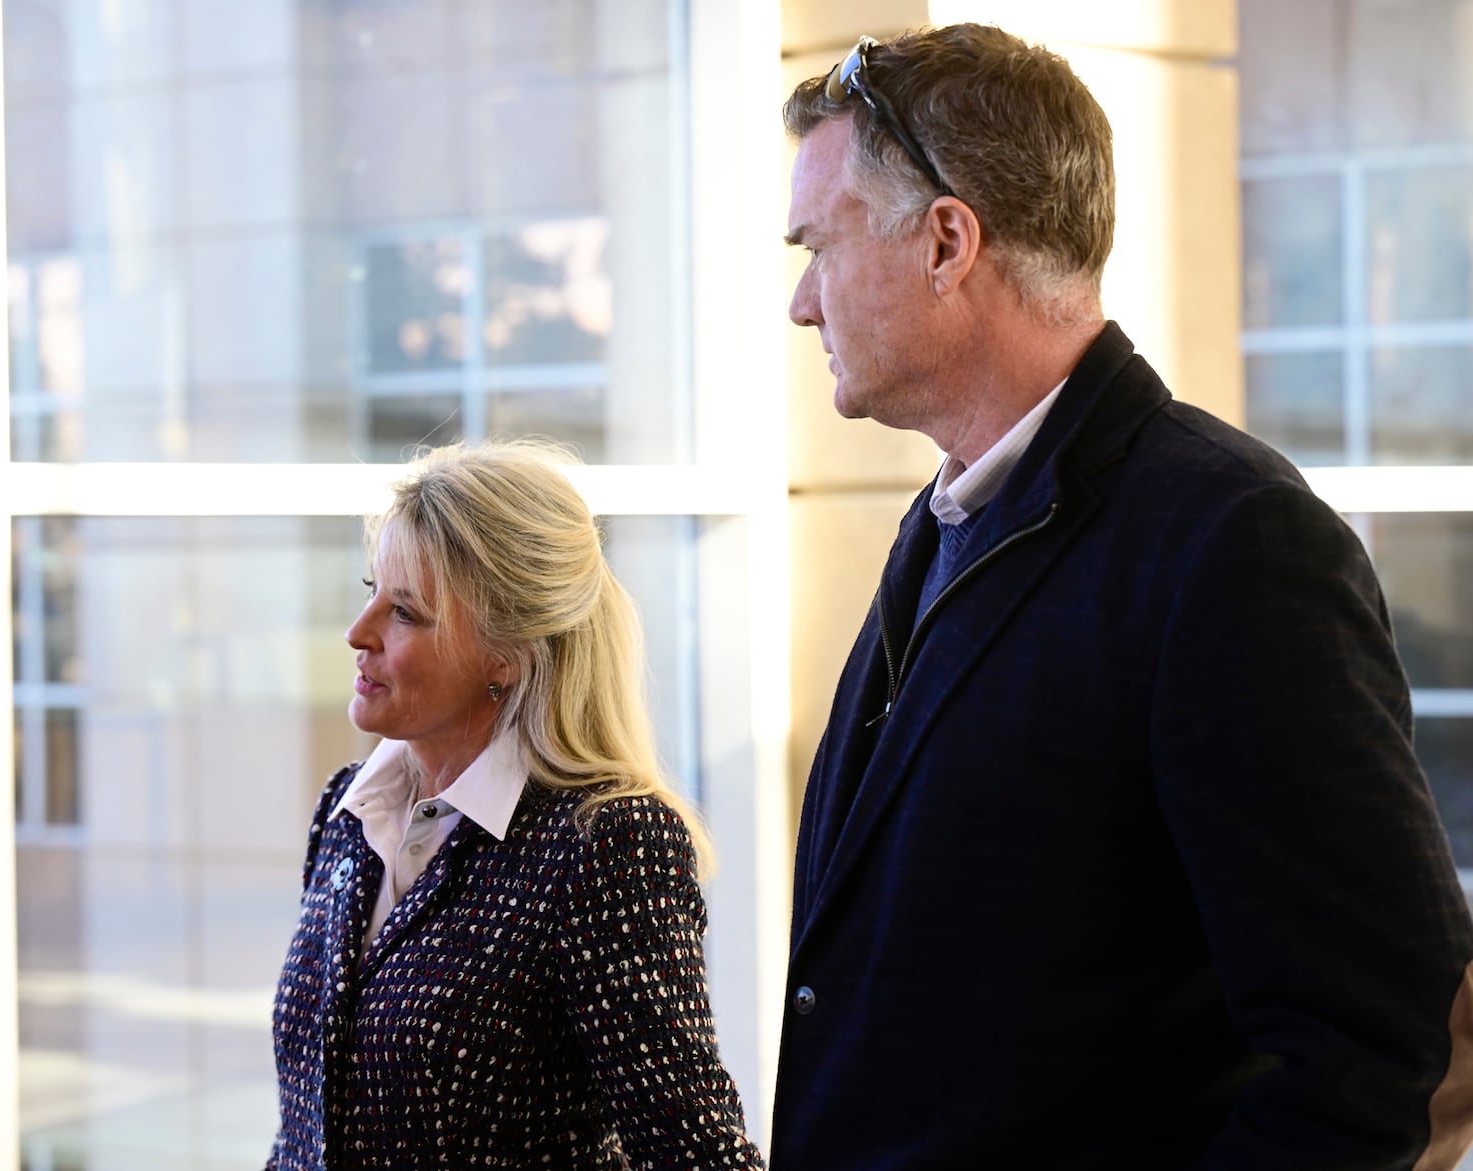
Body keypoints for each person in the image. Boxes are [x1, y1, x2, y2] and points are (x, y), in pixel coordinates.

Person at [773, 23, 1473, 1170]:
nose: (803, 302)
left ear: (948, 241)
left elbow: (1381, 1054)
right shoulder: (951, 517)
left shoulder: (1228, 540)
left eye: (819, 248)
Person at [265, 441, 764, 1170]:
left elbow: (695, 1154)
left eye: (404, 611)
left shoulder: (606, 843)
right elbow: (306, 1133)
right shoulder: (345, 810)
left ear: (505, 654)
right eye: (372, 588)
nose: (358, 631)